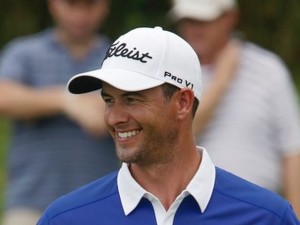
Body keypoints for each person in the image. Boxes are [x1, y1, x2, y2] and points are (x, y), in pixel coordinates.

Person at [37, 26, 299, 224]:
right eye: (109, 100)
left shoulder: (268, 217)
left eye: (131, 99)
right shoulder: (65, 219)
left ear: (183, 103)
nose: (114, 117)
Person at [168, 0, 300, 218]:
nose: (194, 29)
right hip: (192, 214)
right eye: (187, 20)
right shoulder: (168, 78)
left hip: (260, 215)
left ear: (230, 18)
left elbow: (293, 151)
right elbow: (171, 136)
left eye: (203, 20)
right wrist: (222, 80)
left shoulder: (269, 70)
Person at [0, 0, 120, 224]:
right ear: (53, 5)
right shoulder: (24, 52)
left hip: (100, 206)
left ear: (104, 6)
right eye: (71, 4)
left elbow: (139, 108)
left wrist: (35, 101)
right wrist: (66, 101)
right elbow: (4, 97)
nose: (80, 15)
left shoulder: (118, 58)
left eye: (90, 5)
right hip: (30, 204)